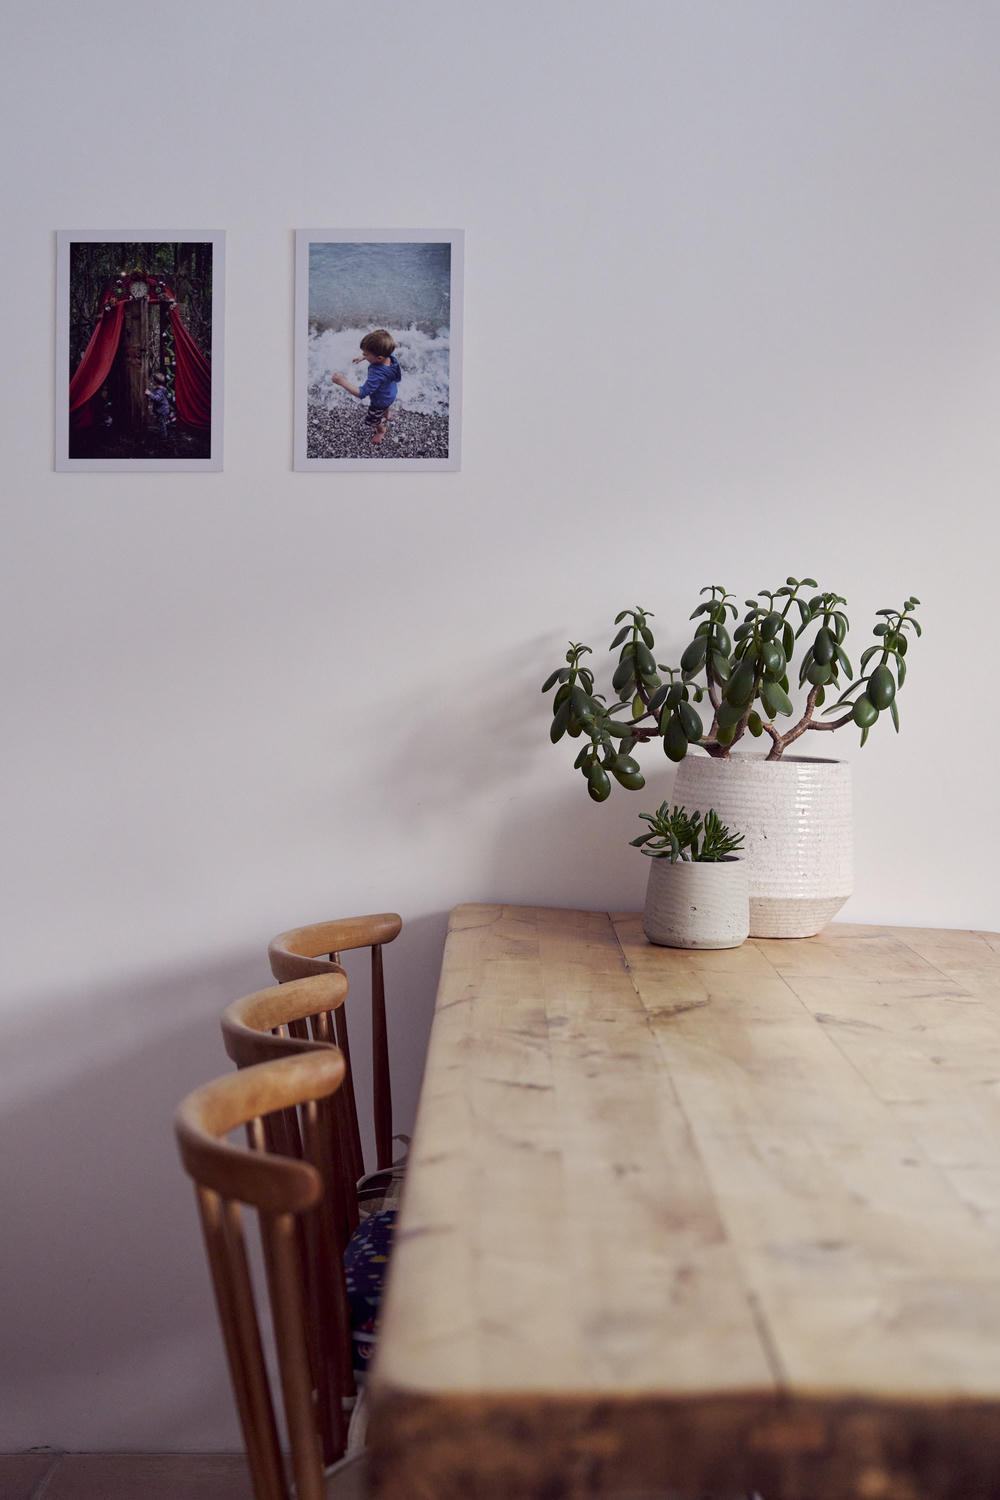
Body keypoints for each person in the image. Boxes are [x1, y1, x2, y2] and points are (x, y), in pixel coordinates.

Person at [330, 329, 401, 444]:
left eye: (365, 354)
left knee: (374, 419)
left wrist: (341, 381)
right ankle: (387, 413)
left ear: (379, 358)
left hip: (380, 400)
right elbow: (378, 356)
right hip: (391, 392)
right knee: (386, 403)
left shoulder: (378, 375)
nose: (363, 355)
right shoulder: (390, 356)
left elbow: (361, 393)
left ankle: (381, 431)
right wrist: (363, 358)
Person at [145, 372, 171, 445]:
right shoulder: (163, 388)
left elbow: (157, 399)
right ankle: (163, 434)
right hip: (165, 408)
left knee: (161, 423)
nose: (151, 382)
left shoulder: (159, 391)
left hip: (162, 410)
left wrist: (149, 394)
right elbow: (167, 394)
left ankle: (163, 438)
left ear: (155, 382)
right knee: (162, 422)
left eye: (152, 380)